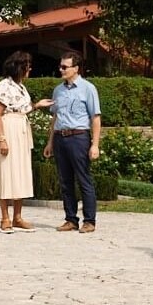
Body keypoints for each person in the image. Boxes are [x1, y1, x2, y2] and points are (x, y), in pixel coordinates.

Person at [0, 51, 53, 234]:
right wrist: (2, 139)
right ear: (20, 67)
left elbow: (22, 108)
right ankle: (5, 217)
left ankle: (17, 217)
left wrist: (36, 105)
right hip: (8, 128)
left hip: (20, 128)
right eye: (27, 65)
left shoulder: (20, 87)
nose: (30, 69)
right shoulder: (5, 86)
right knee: (6, 171)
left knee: (20, 172)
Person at [43, 50, 102, 233]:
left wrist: (95, 144)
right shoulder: (58, 90)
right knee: (65, 181)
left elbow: (95, 118)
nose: (61, 70)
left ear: (76, 68)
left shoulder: (88, 89)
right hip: (61, 137)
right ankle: (71, 219)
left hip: (78, 137)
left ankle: (89, 220)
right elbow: (55, 118)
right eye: (60, 66)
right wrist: (50, 142)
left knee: (83, 179)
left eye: (64, 67)